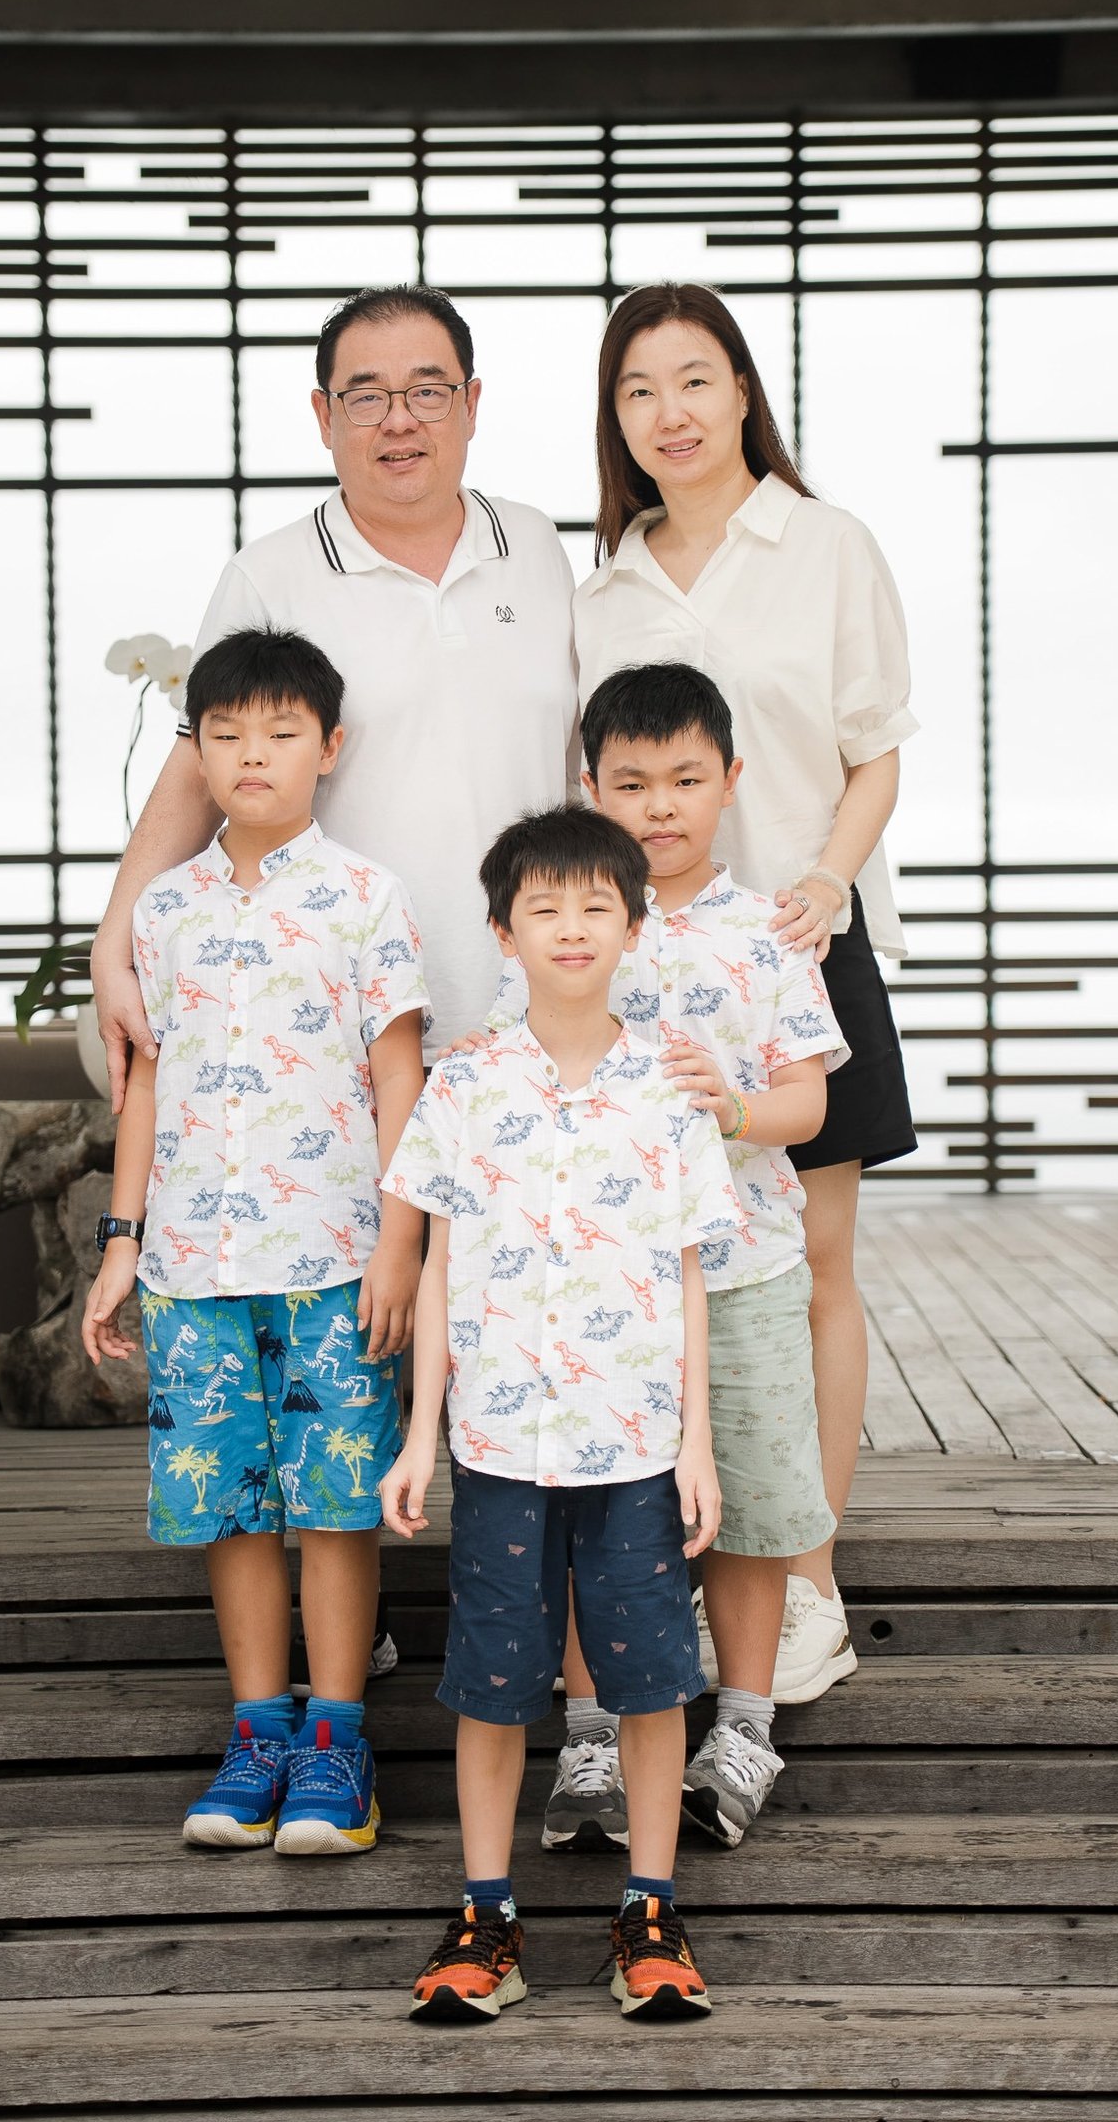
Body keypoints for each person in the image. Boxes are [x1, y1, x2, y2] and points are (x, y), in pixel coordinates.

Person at [574, 281, 918, 1706]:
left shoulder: (826, 542)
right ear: (620, 418)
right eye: (641, 388)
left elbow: (878, 745)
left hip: (798, 949)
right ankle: (713, 1571)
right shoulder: (602, 588)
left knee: (813, 1270)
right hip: (653, 985)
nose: (671, 411)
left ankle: (813, 1577)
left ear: (742, 393)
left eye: (696, 379)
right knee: (682, 1284)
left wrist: (828, 882)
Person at [379, 805, 744, 2023]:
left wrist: (697, 1441)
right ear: (502, 931)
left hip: (637, 1445)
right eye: (545, 907)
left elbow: (690, 1271)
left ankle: (649, 1910)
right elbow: (433, 1266)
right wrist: (420, 1433)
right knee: (492, 1684)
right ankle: (488, 1917)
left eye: (597, 906)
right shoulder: (466, 1083)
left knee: (647, 1683)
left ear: (634, 929)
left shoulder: (670, 1085)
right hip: (494, 1446)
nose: (571, 927)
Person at [81, 625, 428, 1857]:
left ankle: (338, 1746)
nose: (252, 755)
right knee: (226, 1509)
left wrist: (402, 1246)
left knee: (333, 1506)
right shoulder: (160, 913)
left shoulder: (365, 898)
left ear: (329, 749)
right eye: (224, 734)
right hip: (191, 1269)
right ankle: (256, 1735)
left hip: (335, 1259)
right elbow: (147, 1091)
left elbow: (400, 1084)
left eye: (281, 733)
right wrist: (121, 1244)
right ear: (198, 751)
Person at [488, 666, 848, 1852]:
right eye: (631, 782)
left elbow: (805, 1102)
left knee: (746, 1504)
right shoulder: (573, 918)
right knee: (605, 1508)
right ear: (591, 785)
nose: (661, 805)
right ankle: (591, 1731)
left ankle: (742, 1726)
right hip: (595, 1297)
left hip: (741, 1272)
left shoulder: (767, 931)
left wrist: (733, 1107)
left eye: (687, 779)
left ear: (730, 784)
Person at [89, 282, 578, 1108]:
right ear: (324, 417)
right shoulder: (268, 576)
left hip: (540, 1013)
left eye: (428, 391)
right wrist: (114, 944)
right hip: (343, 1024)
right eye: (366, 397)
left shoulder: (534, 545)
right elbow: (196, 770)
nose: (400, 420)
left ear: (470, 404)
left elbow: (579, 771)